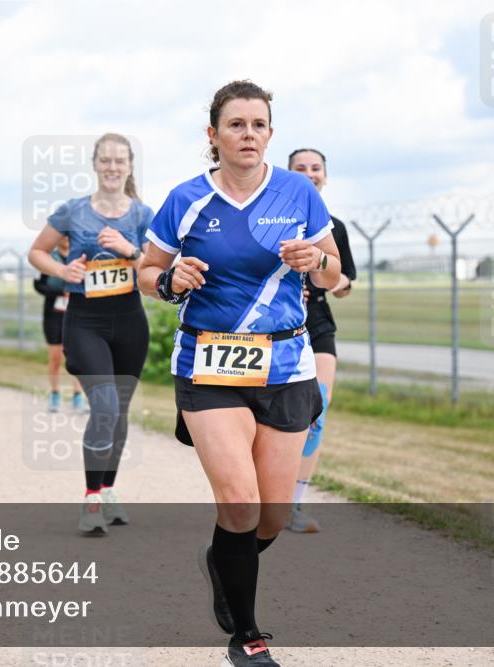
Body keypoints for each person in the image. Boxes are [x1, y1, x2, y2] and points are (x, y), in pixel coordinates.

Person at [137, 80, 341, 666]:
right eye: (236, 124)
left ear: (269, 134)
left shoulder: (299, 192)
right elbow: (145, 270)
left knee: (270, 516)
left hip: (286, 365)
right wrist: (171, 280)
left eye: (258, 125)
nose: (248, 134)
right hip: (210, 365)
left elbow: (332, 274)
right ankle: (247, 636)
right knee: (240, 501)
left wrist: (317, 261)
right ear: (214, 135)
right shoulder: (186, 199)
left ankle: (222, 558)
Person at [28, 132, 153, 535]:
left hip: (130, 321)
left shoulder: (143, 216)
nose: (113, 167)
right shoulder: (74, 211)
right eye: (106, 160)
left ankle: (109, 490)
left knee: (119, 414)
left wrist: (129, 250)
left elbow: (160, 267)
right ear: (95, 165)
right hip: (85, 321)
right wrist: (63, 271)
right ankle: (91, 499)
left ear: (130, 165)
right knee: (105, 407)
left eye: (120, 160)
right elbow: (37, 251)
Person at [286, 148, 357, 534]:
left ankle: (293, 506)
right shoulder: (272, 217)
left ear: (325, 177)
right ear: (289, 173)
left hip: (318, 327)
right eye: (301, 168)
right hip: (274, 328)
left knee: (317, 412)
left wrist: (337, 279)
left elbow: (345, 284)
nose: (310, 174)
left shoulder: (336, 227)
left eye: (316, 169)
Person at [33, 235, 86, 413]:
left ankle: (78, 395)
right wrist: (61, 291)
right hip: (53, 314)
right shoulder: (48, 258)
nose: (67, 238)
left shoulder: (81, 257)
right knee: (56, 357)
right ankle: (54, 394)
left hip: (75, 313)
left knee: (76, 357)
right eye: (63, 234)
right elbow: (38, 285)